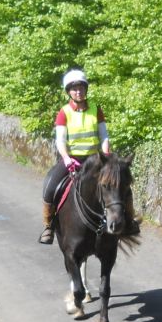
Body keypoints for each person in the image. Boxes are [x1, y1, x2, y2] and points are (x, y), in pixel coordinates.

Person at [38, 69, 111, 244]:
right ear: (69, 92)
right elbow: (60, 141)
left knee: (119, 183)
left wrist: (106, 156)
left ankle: (127, 221)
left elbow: (104, 136)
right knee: (50, 186)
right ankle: (48, 227)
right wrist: (66, 158)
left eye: (81, 88)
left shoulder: (96, 109)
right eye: (74, 89)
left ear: (86, 89)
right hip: (72, 160)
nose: (78, 91)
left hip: (94, 160)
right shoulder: (64, 112)